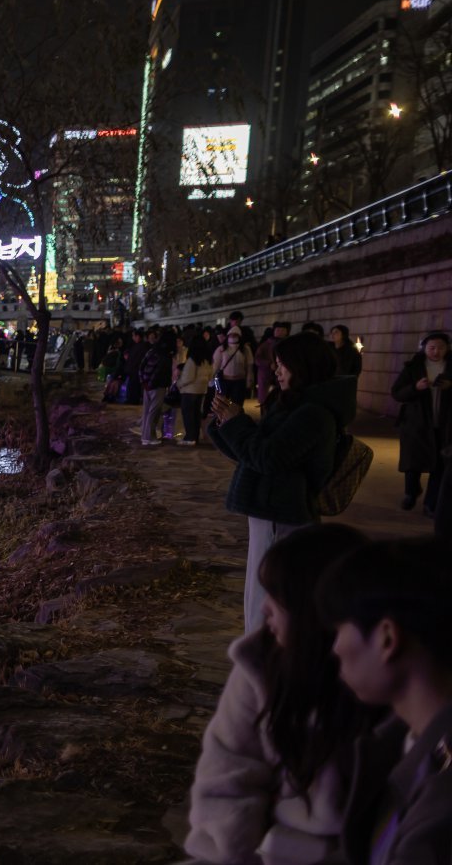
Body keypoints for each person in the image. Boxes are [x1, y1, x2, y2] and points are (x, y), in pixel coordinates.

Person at [184, 524, 376, 865]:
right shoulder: (260, 665)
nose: (264, 609)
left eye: (278, 597)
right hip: (267, 851)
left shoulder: (382, 681)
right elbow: (228, 773)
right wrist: (233, 851)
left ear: (315, 607)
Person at [317, 537, 452, 865]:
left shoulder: (441, 797)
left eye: (340, 628)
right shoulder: (406, 740)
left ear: (387, 638)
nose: (334, 648)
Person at [210, 332, 351, 632]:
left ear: (303, 366)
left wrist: (237, 422)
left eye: (282, 363)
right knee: (260, 592)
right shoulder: (294, 404)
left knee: (269, 597)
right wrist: (226, 423)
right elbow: (251, 454)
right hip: (271, 509)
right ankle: (262, 650)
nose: (276, 370)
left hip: (282, 512)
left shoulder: (313, 414)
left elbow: (268, 458)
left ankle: (266, 654)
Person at [390, 332, 449, 517]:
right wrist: (415, 388)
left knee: (440, 465)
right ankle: (411, 492)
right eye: (432, 347)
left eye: (441, 347)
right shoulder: (413, 367)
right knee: (412, 462)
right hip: (416, 423)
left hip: (445, 425)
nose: (436, 351)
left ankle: (431, 503)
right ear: (424, 348)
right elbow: (397, 393)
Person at [178, 335, 215, 445]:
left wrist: (179, 384)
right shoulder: (207, 360)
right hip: (201, 390)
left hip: (189, 391)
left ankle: (190, 438)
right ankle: (195, 437)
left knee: (188, 415)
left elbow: (188, 377)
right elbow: (210, 375)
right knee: (196, 415)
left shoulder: (192, 360)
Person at [139, 328, 173, 445]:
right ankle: (149, 437)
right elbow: (160, 372)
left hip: (147, 385)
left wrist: (144, 382)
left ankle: (145, 436)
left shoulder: (152, 351)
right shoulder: (165, 355)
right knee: (154, 412)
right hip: (157, 386)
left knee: (147, 411)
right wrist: (153, 383)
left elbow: (141, 366)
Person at [214, 326, 256, 406]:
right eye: (231, 335)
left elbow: (249, 365)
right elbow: (216, 365)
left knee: (237, 403)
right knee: (223, 403)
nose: (233, 336)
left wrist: (249, 379)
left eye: (235, 335)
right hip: (225, 381)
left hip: (239, 381)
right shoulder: (222, 348)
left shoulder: (245, 349)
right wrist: (213, 377)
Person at [256, 323, 290, 407]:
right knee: (265, 399)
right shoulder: (266, 344)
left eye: (282, 330)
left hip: (282, 374)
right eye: (278, 330)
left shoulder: (288, 344)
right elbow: (257, 359)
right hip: (266, 373)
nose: (280, 332)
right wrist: (269, 363)